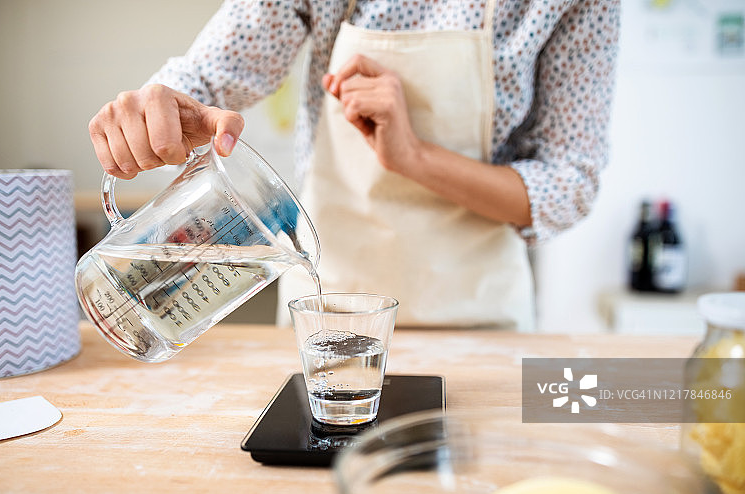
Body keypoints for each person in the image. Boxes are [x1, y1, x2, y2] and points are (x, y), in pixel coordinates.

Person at [88, 0, 620, 331]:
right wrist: (157, 114)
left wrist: (414, 157)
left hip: (479, 316)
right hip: (327, 314)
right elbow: (207, 80)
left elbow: (569, 184)